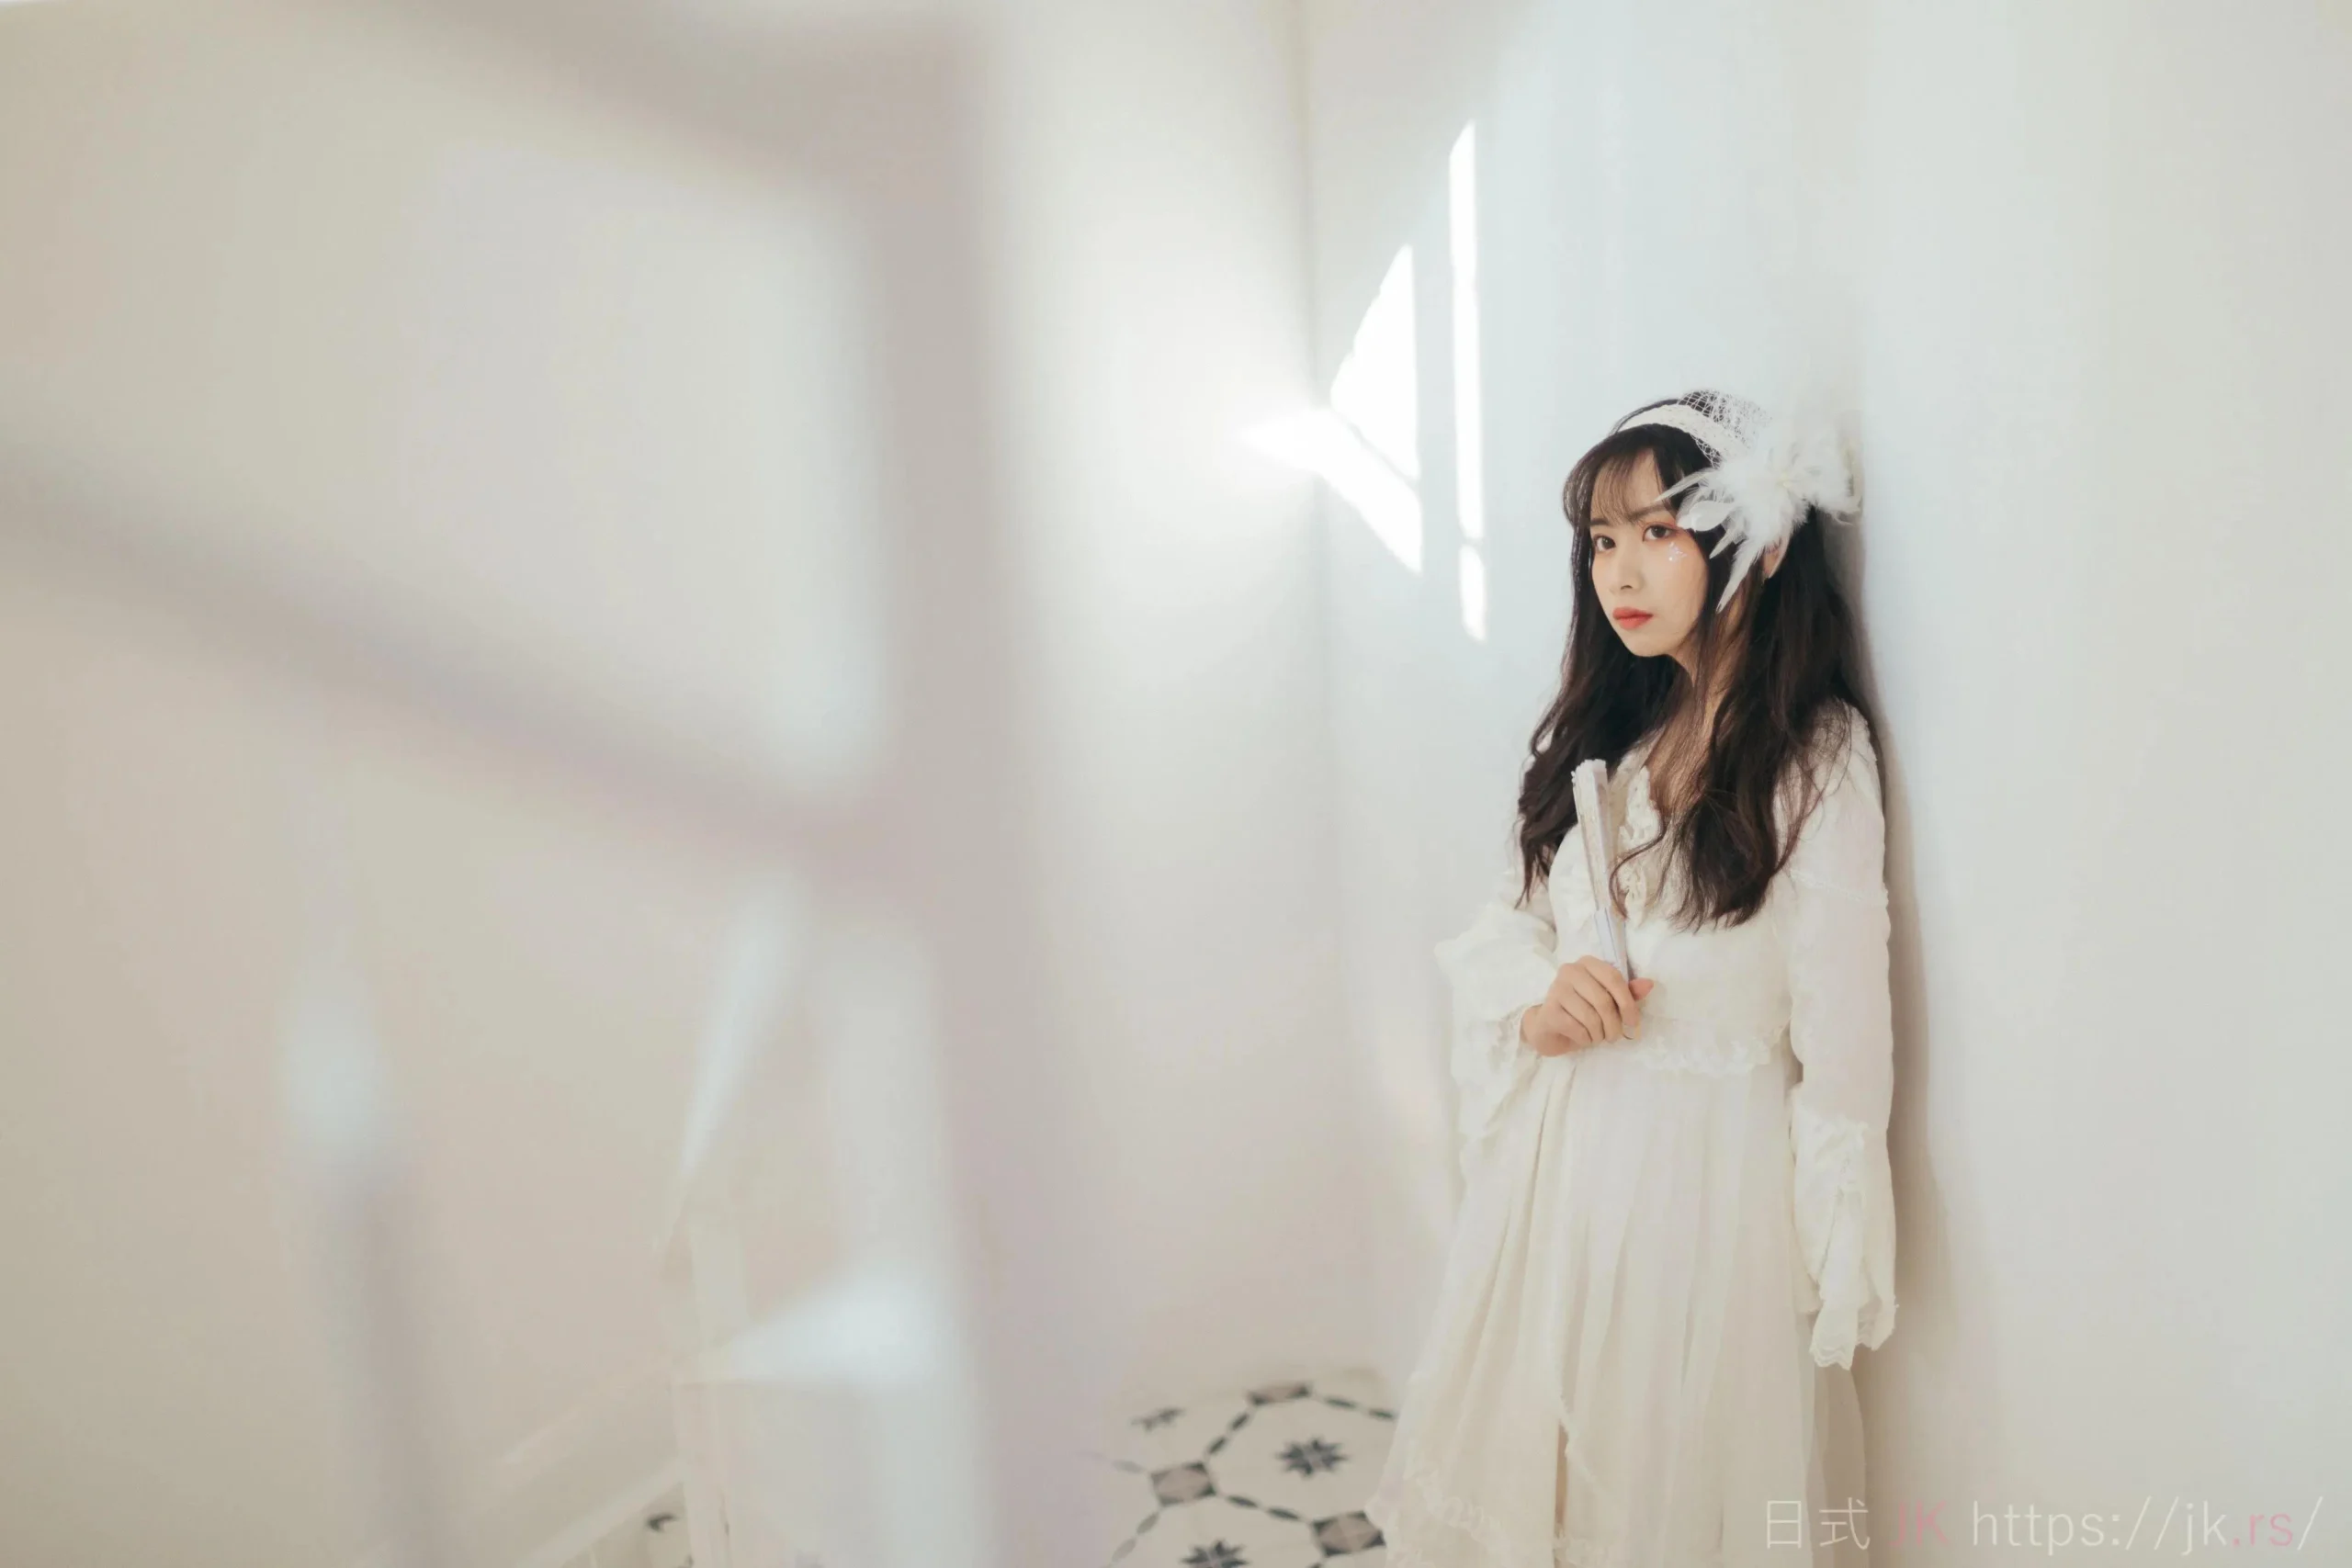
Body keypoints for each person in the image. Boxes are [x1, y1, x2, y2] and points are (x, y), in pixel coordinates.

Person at [1363, 390, 1899, 1568]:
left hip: (1702, 1201)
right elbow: (1510, 930)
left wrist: (1830, 1248)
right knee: (1541, 1488)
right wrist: (1542, 1005)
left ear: (1757, 545)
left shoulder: (1814, 761)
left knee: (1656, 1500)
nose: (1620, 570)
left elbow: (1846, 1048)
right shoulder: (1624, 737)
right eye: (1603, 539)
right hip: (1560, 1181)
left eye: (1657, 530)